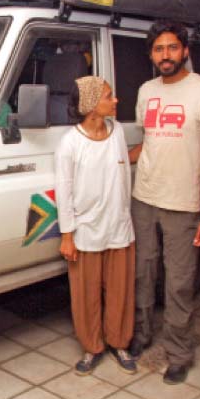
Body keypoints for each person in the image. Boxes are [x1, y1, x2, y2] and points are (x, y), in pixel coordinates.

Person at [127, 19, 200, 385]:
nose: (165, 56)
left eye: (172, 48)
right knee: (142, 273)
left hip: (184, 202)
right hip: (144, 196)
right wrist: (110, 156)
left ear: (184, 50)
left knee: (179, 282)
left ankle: (179, 352)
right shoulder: (146, 90)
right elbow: (148, 144)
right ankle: (141, 334)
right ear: (151, 54)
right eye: (158, 49)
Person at [55, 76, 137, 376]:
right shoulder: (70, 143)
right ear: (90, 106)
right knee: (86, 294)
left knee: (120, 291)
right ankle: (92, 347)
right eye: (108, 96)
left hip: (118, 227)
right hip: (86, 231)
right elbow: (63, 190)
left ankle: (120, 343)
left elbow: (120, 165)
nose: (115, 100)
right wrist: (67, 235)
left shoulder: (117, 132)